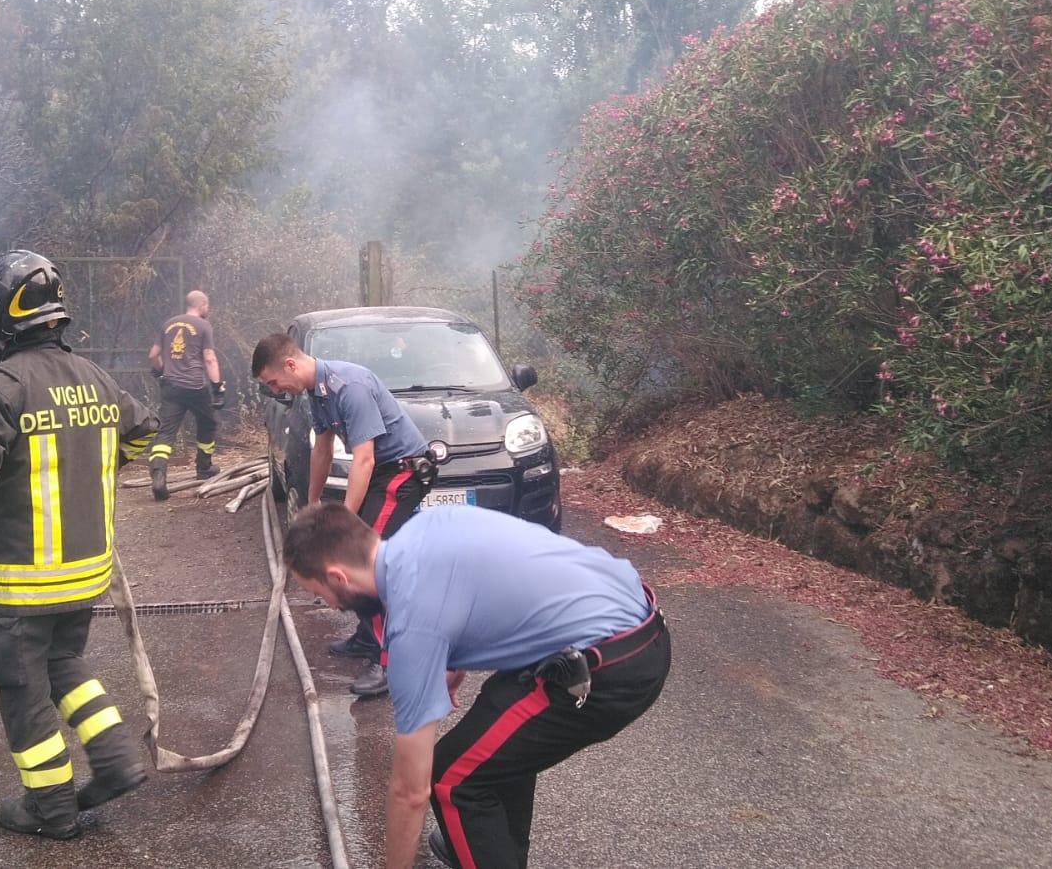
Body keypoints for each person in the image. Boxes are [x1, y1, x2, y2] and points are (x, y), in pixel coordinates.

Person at [0, 250, 159, 840]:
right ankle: (118, 759)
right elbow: (144, 431)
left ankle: (48, 806)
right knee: (64, 664)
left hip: (25, 580)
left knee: (21, 685)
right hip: (84, 573)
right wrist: (93, 466)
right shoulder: (95, 379)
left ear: (1, 315)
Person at [282, 502, 671, 869]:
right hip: (639, 618)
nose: (332, 606)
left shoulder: (413, 629)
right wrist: (454, 664)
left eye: (322, 595)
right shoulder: (428, 526)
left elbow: (409, 792)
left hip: (613, 668)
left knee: (452, 779)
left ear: (338, 577)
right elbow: (485, 582)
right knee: (497, 734)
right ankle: (495, 851)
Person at [251, 331, 434, 697]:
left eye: (274, 381)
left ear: (290, 364)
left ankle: (390, 664)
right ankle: (368, 639)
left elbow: (363, 459)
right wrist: (313, 503)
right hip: (380, 472)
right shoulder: (317, 393)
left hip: (401, 472)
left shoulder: (349, 386)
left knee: (366, 563)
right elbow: (323, 450)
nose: (276, 390)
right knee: (359, 560)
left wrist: (342, 525)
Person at [146, 290, 225, 500]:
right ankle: (204, 468)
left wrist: (161, 370)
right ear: (202, 305)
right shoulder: (203, 326)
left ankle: (158, 475)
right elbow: (209, 358)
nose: (208, 309)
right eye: (207, 306)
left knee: (166, 433)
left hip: (171, 386)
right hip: (195, 387)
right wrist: (217, 387)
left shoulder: (169, 324)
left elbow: (153, 355)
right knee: (208, 424)